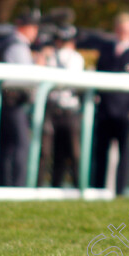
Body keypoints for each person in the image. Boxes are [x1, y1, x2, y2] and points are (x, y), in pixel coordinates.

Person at [92, 13, 129, 195]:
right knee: (100, 151)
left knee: (124, 154)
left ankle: (120, 191)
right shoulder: (107, 50)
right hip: (104, 110)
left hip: (125, 112)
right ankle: (98, 189)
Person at [0, 10, 41, 187]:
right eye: (34, 27)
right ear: (26, 27)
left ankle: (3, 186)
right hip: (13, 103)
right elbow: (26, 77)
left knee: (6, 147)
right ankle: (16, 187)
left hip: (3, 102)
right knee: (20, 145)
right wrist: (39, 66)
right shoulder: (18, 46)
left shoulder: (4, 43)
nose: (36, 31)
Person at [47, 24, 85, 187]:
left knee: (73, 153)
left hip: (69, 111)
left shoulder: (75, 58)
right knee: (52, 153)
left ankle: (78, 187)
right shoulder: (51, 57)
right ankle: (52, 186)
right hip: (53, 110)